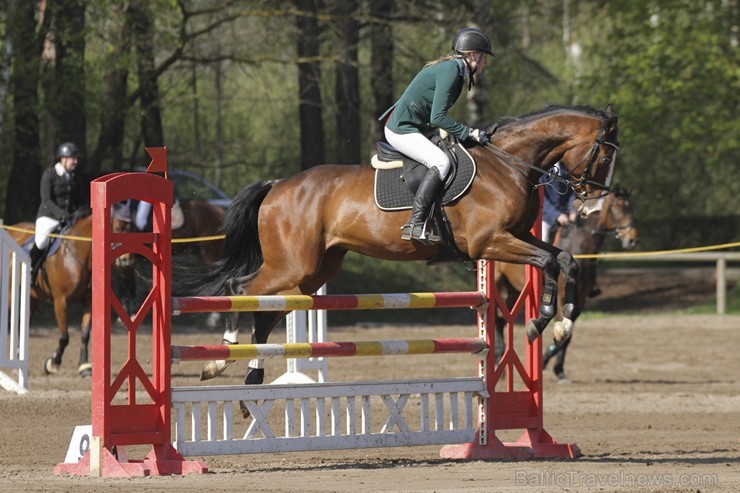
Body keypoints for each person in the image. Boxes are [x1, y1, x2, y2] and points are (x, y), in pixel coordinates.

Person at [381, 27, 494, 242]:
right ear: (472, 56)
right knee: (442, 163)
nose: (484, 63)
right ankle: (415, 224)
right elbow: (438, 117)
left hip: (417, 126)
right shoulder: (451, 71)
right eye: (484, 58)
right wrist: (469, 132)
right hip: (401, 130)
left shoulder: (456, 71)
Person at [30, 142, 86, 284]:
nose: (75, 161)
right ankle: (32, 269)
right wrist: (62, 214)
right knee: (41, 241)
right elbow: (46, 200)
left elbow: (79, 200)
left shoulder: (74, 177)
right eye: (72, 158)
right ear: (63, 158)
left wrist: (80, 211)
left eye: (76, 158)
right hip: (49, 216)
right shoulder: (49, 174)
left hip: (68, 219)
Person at [540, 161, 577, 244]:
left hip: (564, 218)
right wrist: (557, 215)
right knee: (543, 240)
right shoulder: (544, 169)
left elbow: (571, 193)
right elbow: (542, 198)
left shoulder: (566, 169)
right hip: (545, 217)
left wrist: (573, 211)